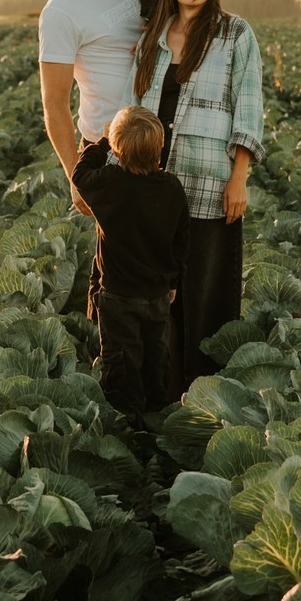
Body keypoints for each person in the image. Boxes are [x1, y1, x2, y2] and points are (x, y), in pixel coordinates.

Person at [132, 0, 263, 380]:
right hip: (155, 183)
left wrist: (239, 177)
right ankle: (163, 390)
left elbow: (248, 107)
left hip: (209, 181)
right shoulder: (155, 34)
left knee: (205, 290)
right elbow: (136, 109)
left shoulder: (234, 33)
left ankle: (205, 388)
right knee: (158, 292)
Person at [72, 107, 189, 415]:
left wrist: (100, 141)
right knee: (155, 359)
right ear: (161, 148)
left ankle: (127, 424)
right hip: (158, 295)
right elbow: (180, 242)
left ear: (117, 149)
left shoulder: (110, 183)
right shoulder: (172, 188)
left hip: (117, 296)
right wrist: (173, 282)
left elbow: (79, 175)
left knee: (121, 363)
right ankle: (156, 420)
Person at [38, 0, 144, 222]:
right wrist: (76, 176)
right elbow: (55, 103)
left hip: (158, 134)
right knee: (120, 256)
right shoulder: (60, 12)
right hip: (107, 148)